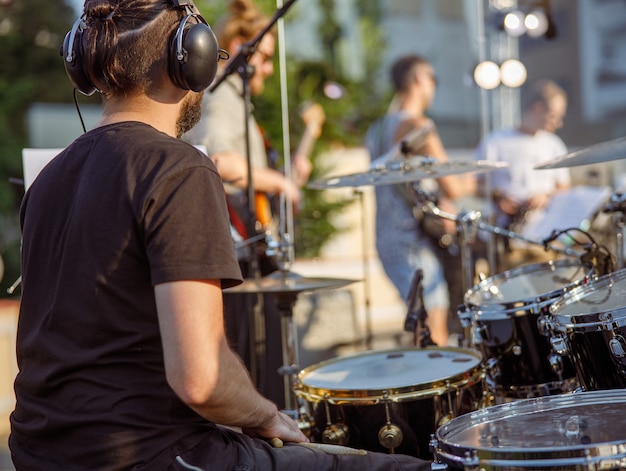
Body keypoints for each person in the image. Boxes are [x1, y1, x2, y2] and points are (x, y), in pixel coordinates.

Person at [10, 1, 431, 469]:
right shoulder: (178, 168)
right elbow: (202, 379)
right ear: (191, 59)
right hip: (151, 455)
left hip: (42, 453)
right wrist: (267, 415)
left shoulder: (47, 180)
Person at [183, 0, 323, 410]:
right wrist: (280, 179)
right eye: (263, 58)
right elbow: (221, 161)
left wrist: (283, 175)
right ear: (241, 47)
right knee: (258, 359)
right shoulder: (223, 94)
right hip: (238, 249)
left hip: (249, 244)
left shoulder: (238, 102)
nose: (267, 68)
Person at [365, 55, 475, 347]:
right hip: (411, 239)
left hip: (387, 238)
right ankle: (431, 392)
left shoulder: (375, 129)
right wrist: (478, 178)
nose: (434, 86)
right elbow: (451, 186)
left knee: (421, 325)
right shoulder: (418, 125)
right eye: (433, 79)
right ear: (418, 79)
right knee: (431, 331)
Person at [475, 79, 571, 270]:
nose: (557, 123)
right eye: (553, 116)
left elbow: (564, 188)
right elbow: (475, 184)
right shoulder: (496, 141)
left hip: (545, 239)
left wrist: (546, 196)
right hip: (507, 239)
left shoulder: (554, 144)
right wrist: (498, 196)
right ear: (537, 108)